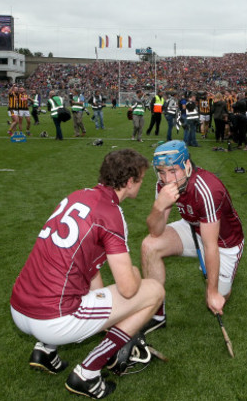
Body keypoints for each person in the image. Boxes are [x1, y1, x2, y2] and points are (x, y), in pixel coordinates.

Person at [10, 148, 164, 399]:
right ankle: (88, 373)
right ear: (129, 182)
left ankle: (45, 351)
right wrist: (135, 273)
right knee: (153, 291)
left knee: (71, 280)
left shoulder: (78, 195)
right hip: (52, 318)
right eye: (141, 179)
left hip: (19, 307)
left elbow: (89, 266)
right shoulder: (111, 214)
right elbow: (127, 288)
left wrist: (108, 311)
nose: (142, 185)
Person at [141, 140, 244, 333]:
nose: (167, 179)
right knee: (150, 245)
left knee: (217, 297)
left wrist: (212, 291)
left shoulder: (208, 189)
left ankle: (221, 283)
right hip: (192, 227)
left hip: (223, 242)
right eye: (162, 172)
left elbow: (211, 245)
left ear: (187, 166)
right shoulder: (162, 184)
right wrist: (158, 207)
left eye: (173, 171)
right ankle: (156, 314)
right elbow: (155, 231)